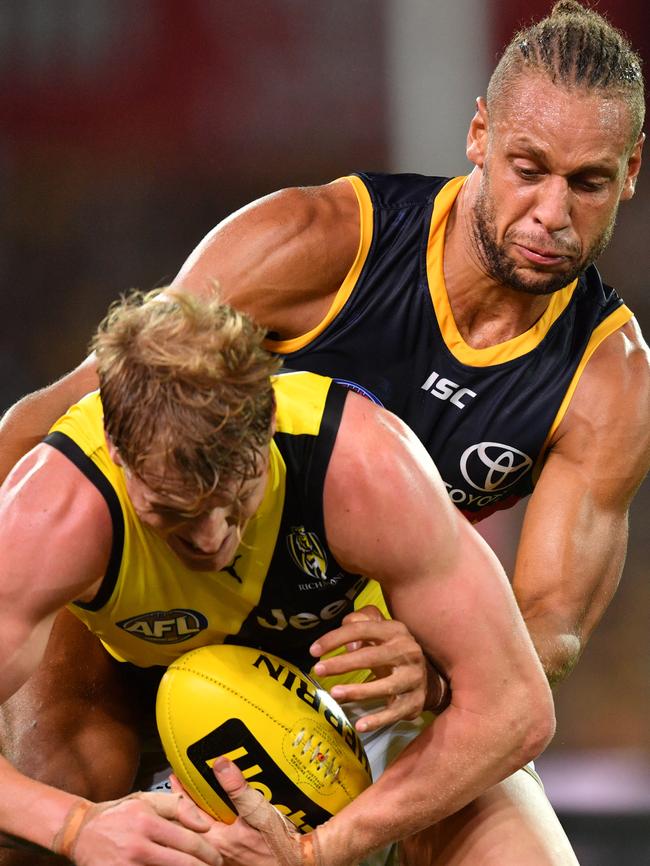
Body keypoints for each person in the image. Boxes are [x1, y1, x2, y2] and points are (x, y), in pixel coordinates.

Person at [0, 0, 648, 861]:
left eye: (588, 181)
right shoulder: (316, 245)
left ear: (632, 173)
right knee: (51, 803)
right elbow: (89, 411)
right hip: (162, 592)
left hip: (353, 649)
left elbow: (548, 625)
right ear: (479, 134)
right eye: (529, 168)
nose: (551, 212)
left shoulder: (610, 377)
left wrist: (436, 661)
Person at [0, 289, 553, 866]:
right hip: (153, 715)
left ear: (266, 420)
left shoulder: (360, 460)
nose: (212, 538)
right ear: (116, 449)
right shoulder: (52, 511)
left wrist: (317, 851)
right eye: (173, 510)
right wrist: (75, 827)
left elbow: (515, 707)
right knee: (39, 817)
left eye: (235, 497)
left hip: (359, 703)